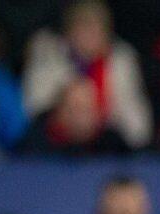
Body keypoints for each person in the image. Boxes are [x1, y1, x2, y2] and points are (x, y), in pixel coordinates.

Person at [22, 1, 151, 150]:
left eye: (97, 29)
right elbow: (33, 109)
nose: (90, 35)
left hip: (104, 145)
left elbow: (139, 129)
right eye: (84, 28)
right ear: (69, 32)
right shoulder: (48, 55)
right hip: (55, 146)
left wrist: (99, 121)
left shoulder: (122, 62)